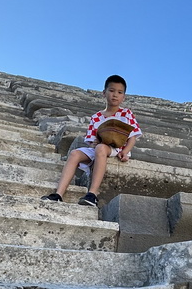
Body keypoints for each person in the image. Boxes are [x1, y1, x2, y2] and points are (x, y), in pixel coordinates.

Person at [41, 75, 141, 207]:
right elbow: (91, 140)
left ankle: (92, 194)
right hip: (99, 147)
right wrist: (94, 143)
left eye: (119, 92)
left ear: (124, 97)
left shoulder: (126, 113)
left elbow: (133, 136)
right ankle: (58, 194)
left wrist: (126, 151)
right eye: (111, 91)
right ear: (104, 93)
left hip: (117, 147)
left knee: (101, 148)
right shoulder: (96, 117)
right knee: (75, 153)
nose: (115, 95)